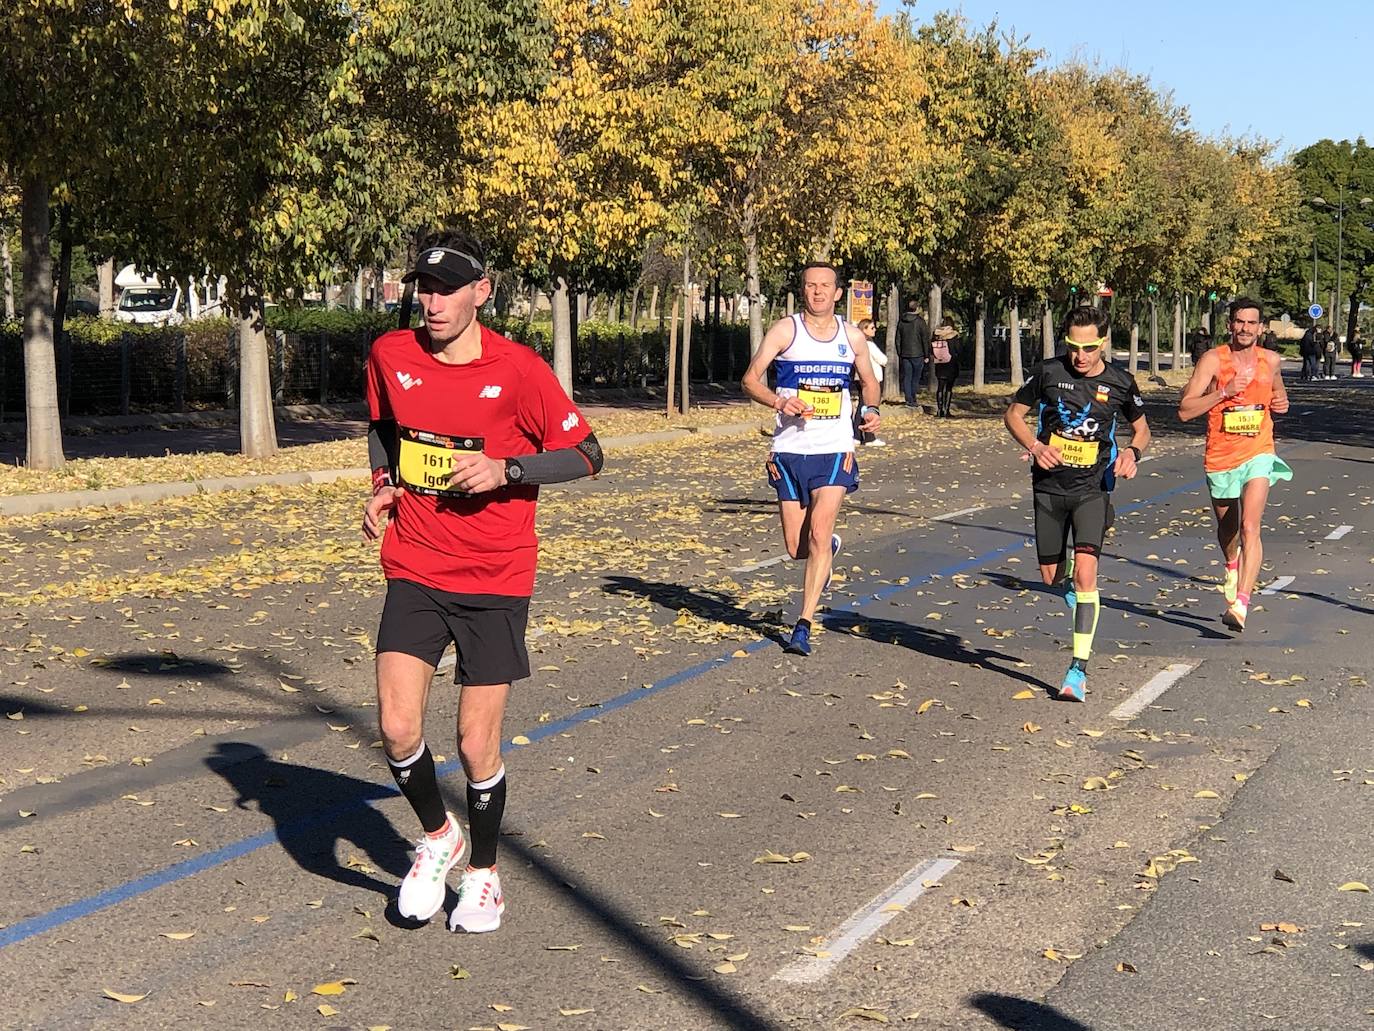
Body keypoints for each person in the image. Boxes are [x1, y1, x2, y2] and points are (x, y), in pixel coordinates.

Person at [362, 230, 604, 932]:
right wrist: (383, 482)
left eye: (446, 289)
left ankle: (485, 873)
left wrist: (509, 469)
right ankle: (439, 838)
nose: (430, 302)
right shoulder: (391, 353)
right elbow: (382, 425)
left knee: (475, 745)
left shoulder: (519, 369)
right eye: (423, 288)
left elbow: (588, 453)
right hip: (415, 562)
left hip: (495, 575)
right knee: (397, 725)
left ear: (482, 291)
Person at [1003, 306, 1150, 701]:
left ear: (1103, 342)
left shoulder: (1121, 382)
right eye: (1073, 346)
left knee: (1087, 576)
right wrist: (1034, 445)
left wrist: (1132, 453)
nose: (1080, 356)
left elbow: (1142, 428)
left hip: (1091, 489)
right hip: (1049, 488)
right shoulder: (1049, 372)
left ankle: (1077, 671)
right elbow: (1013, 415)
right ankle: (1069, 588)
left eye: (1088, 348)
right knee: (1052, 576)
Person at [742, 262, 881, 656]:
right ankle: (828, 548)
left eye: (825, 286)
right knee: (796, 547)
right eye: (810, 286)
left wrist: (870, 411)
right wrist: (780, 401)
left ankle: (803, 624)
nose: (818, 292)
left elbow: (870, 383)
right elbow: (750, 379)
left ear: (838, 293)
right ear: (802, 291)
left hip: (835, 447)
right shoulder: (786, 331)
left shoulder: (852, 337)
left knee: (818, 532)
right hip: (789, 449)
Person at [1178, 297, 1291, 632]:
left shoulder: (1270, 360)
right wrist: (1223, 392)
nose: (1245, 328)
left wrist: (1281, 402)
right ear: (1230, 325)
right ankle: (1231, 562)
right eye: (1239, 322)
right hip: (1222, 455)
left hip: (1259, 451)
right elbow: (1184, 410)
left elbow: (1278, 395)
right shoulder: (1213, 360)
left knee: (1250, 528)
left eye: (1251, 323)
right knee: (1229, 529)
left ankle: (1241, 604)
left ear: (1261, 327)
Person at [855, 318, 888, 446]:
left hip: (859, 378)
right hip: (872, 379)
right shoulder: (869, 345)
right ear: (864, 329)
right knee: (870, 407)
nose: (874, 330)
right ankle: (869, 437)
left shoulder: (857, 344)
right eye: (872, 328)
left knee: (861, 406)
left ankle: (857, 435)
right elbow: (883, 359)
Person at [895, 298, 931, 408]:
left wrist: (900, 352)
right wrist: (926, 354)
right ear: (917, 309)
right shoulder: (920, 322)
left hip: (905, 353)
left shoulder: (901, 321)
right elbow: (925, 338)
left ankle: (908, 399)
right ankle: (913, 398)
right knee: (915, 377)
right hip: (918, 353)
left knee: (907, 376)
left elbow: (898, 339)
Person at [931, 318, 960, 418]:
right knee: (949, 387)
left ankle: (939, 410)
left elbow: (931, 348)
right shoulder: (954, 335)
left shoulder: (936, 335)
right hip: (951, 363)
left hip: (939, 363)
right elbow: (957, 349)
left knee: (940, 386)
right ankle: (946, 409)